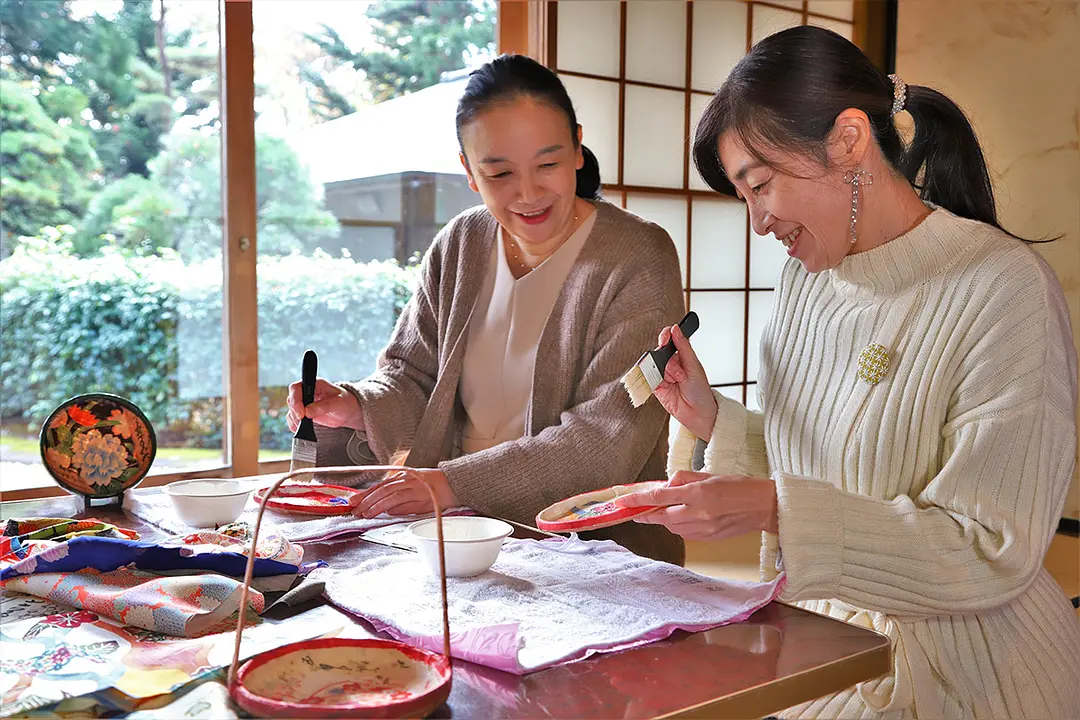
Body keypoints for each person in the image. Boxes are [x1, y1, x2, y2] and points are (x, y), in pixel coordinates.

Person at [618, 26, 1080, 719]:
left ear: (849, 140)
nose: (758, 222)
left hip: (971, 675)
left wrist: (773, 508)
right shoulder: (806, 282)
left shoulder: (1003, 287)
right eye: (743, 197)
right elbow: (835, 466)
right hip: (824, 642)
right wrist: (716, 421)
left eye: (761, 185)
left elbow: (991, 549)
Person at [286, 53, 686, 565]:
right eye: (499, 173)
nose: (529, 193)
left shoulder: (639, 256)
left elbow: (607, 437)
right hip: (457, 536)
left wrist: (452, 483)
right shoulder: (460, 243)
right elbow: (412, 375)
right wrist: (356, 405)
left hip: (596, 553)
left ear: (577, 148)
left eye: (548, 164)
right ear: (469, 172)